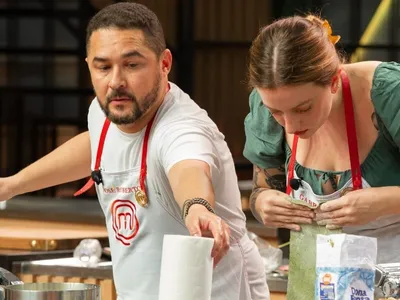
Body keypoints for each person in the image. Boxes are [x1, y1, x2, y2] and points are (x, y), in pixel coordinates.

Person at [0, 2, 269, 300]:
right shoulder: (105, 111)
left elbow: (189, 168)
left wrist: (197, 207)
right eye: (103, 67)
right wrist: (11, 186)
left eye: (132, 65)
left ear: (165, 63)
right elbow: (96, 144)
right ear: (88, 65)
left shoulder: (182, 127)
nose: (116, 82)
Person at [243, 14, 400, 300]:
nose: (289, 126)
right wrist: (263, 202)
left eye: (303, 108)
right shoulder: (267, 107)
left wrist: (387, 201)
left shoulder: (389, 94)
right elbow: (261, 189)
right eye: (276, 112)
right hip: (320, 285)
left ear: (334, 80)